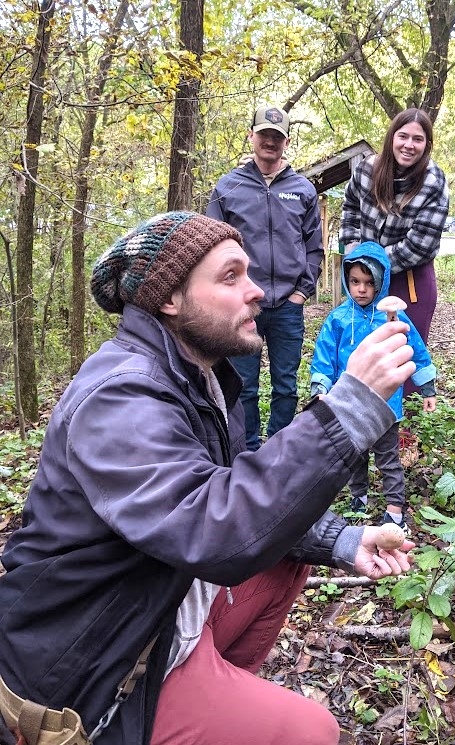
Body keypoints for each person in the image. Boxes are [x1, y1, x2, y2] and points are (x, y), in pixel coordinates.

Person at [0, 212, 417, 745]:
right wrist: (348, 409)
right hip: (92, 666)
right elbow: (214, 526)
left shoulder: (202, 377)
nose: (257, 292)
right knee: (312, 732)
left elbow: (233, 491)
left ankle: (217, 696)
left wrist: (343, 538)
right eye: (230, 277)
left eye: (249, 273)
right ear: (170, 299)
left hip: (154, 607)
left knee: (284, 564)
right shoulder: (120, 395)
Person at [207, 104, 323, 451]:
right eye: (264, 135)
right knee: (243, 384)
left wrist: (302, 292)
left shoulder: (303, 190)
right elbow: (213, 248)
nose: (270, 142)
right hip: (244, 305)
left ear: (286, 141)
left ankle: (280, 450)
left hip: (288, 305)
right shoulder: (228, 187)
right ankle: (249, 451)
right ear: (252, 136)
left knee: (286, 384)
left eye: (277, 137)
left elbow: (314, 246)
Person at [310, 241, 437, 529]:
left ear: (381, 282)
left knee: (388, 457)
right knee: (354, 454)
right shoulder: (339, 319)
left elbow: (415, 349)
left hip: (385, 404)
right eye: (355, 281)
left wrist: (427, 387)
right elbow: (324, 356)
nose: (362, 289)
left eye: (369, 282)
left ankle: (394, 509)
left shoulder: (392, 318)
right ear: (347, 281)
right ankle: (358, 498)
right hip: (351, 402)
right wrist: (321, 388)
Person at [339, 108, 450, 350]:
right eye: (403, 136)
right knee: (362, 350)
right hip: (364, 277)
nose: (409, 145)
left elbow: (420, 246)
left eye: (417, 139)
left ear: (427, 145)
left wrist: (371, 263)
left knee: (402, 354)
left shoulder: (433, 182)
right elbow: (350, 208)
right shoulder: (367, 169)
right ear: (392, 138)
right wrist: (353, 251)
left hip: (409, 280)